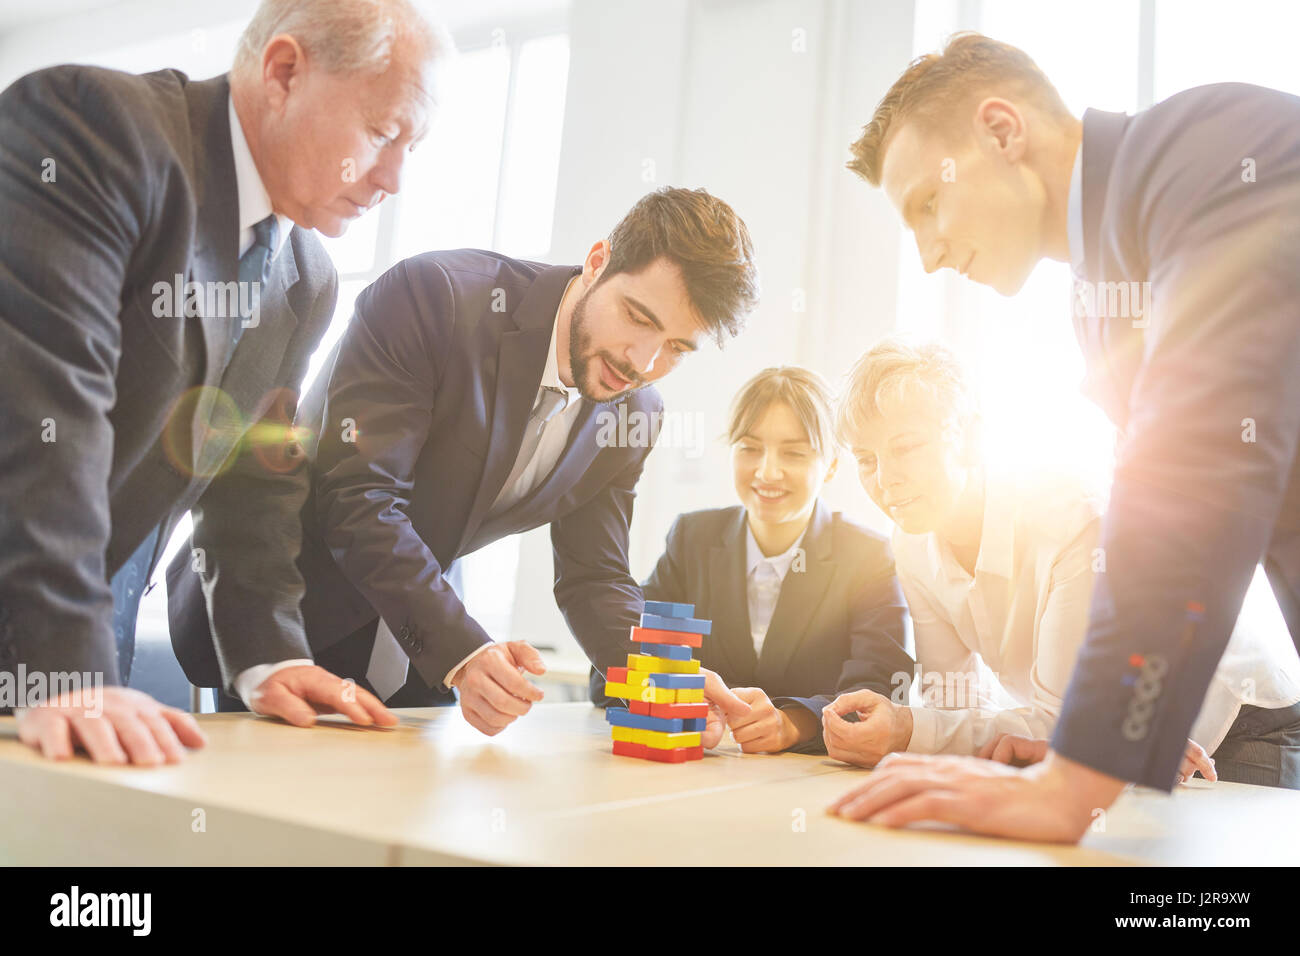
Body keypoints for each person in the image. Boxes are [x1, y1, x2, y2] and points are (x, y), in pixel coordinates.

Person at [831, 32, 1300, 840]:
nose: (931, 252)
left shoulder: (1212, 151)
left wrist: (1071, 783)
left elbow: (1194, 474)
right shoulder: (1098, 309)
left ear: (1003, 130)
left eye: (928, 206)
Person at [0, 0, 447, 765]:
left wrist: (269, 653)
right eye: (381, 133)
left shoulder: (305, 279)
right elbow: (42, 409)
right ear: (283, 72)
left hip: (84, 626)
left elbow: (252, 482)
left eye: (412, 147)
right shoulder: (97, 129)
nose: (394, 178)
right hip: (50, 618)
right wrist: (58, 659)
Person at [172, 187, 760, 737]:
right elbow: (361, 499)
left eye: (677, 349)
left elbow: (593, 576)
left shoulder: (634, 414)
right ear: (598, 261)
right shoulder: (436, 297)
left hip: (415, 665)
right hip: (278, 627)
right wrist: (463, 651)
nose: (642, 362)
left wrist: (663, 677)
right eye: (638, 317)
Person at [824, 338, 1300, 786]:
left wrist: (909, 729)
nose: (885, 479)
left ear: (969, 440)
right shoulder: (912, 543)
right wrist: (915, 727)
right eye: (865, 458)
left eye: (905, 447)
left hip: (1240, 721)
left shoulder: (1071, 516)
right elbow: (953, 702)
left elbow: (1058, 721)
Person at [641, 366, 912, 753]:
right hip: (700, 767)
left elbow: (880, 690)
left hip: (813, 781)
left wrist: (795, 722)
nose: (768, 471)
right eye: (750, 448)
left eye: (795, 453)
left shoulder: (868, 555)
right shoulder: (692, 540)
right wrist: (677, 698)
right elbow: (623, 664)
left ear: (832, 464)